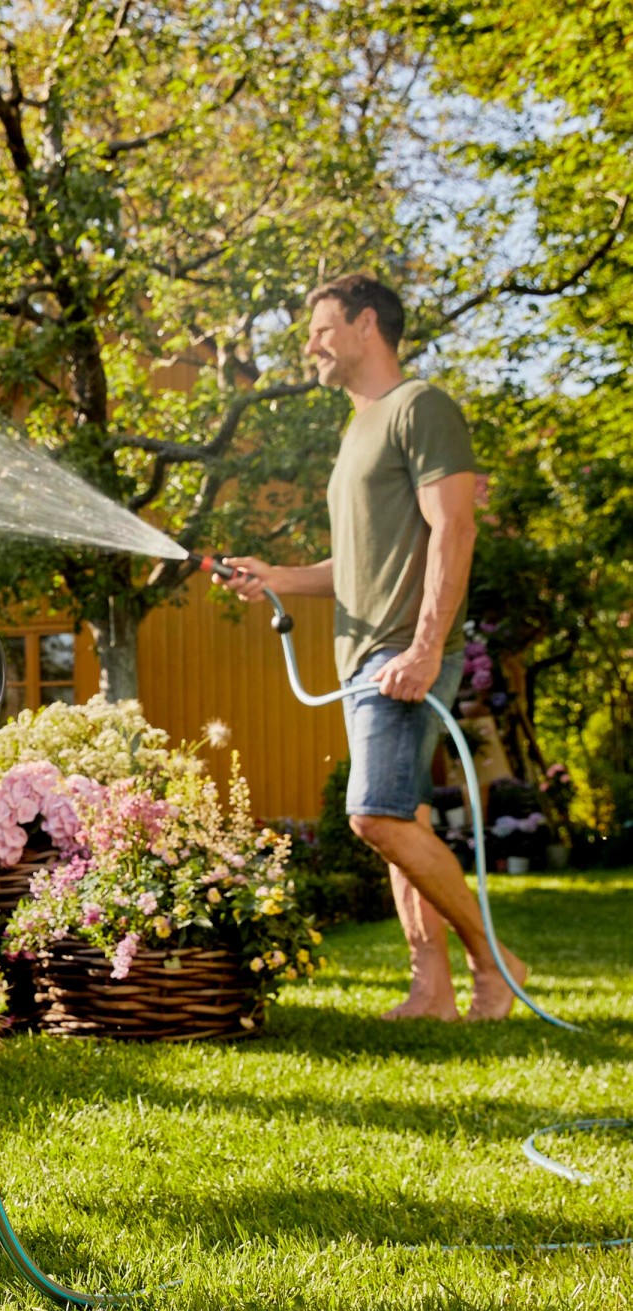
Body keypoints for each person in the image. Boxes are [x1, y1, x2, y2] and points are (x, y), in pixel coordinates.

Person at [220, 273, 523, 1021]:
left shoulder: (420, 407)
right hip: (364, 657)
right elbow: (357, 564)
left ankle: (496, 964)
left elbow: (454, 526)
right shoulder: (357, 431)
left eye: (322, 329)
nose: (310, 346)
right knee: (402, 818)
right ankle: (432, 990)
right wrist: (278, 577)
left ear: (365, 324)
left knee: (374, 815)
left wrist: (424, 649)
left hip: (400, 652)